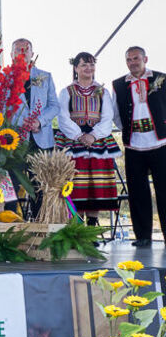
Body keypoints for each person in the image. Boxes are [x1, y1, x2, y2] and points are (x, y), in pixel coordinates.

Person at [54, 52, 120, 224]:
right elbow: (63, 116)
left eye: (91, 64)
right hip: (73, 139)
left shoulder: (102, 92)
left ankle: (92, 228)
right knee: (75, 184)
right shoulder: (67, 91)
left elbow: (107, 117)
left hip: (97, 140)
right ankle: (77, 227)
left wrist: (94, 135)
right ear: (76, 68)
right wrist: (79, 135)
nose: (88, 68)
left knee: (95, 184)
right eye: (84, 65)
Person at [112, 46, 166, 248]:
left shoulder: (162, 78)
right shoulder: (118, 84)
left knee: (164, 191)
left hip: (161, 143)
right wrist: (129, 130)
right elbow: (116, 114)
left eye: (136, 58)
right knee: (137, 192)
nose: (132, 62)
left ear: (145, 59)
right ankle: (142, 236)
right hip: (134, 144)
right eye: (129, 59)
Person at [7, 38, 59, 218]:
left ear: (32, 53)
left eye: (26, 49)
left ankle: (39, 226)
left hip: (40, 140)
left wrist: (40, 121)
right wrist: (19, 124)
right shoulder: (4, 78)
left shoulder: (44, 76)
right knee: (11, 184)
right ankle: (9, 225)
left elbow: (54, 106)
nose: (22, 52)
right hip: (13, 141)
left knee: (40, 186)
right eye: (18, 49)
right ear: (11, 54)